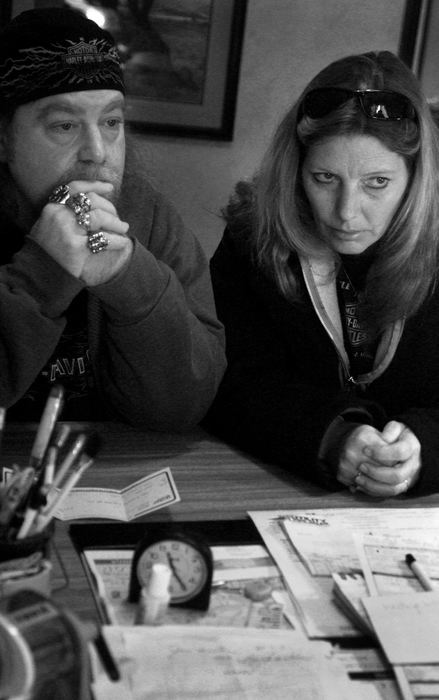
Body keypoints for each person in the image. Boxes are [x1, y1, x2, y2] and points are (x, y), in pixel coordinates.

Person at [204, 50, 439, 497]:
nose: (347, 213)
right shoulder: (252, 238)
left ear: (417, 178)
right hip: (276, 490)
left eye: (377, 182)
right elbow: (227, 384)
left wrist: (424, 448)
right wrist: (331, 437)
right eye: (325, 178)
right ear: (297, 171)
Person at [0, 7, 225, 429]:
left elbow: (183, 407)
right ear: (4, 138)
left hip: (107, 467)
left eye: (111, 122)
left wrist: (127, 274)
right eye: (65, 125)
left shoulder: (147, 215)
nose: (98, 152)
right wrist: (44, 273)